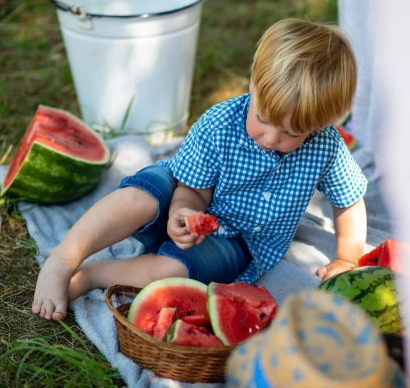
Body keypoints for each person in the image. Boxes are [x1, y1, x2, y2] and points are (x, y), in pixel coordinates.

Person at [32, 18, 368, 321]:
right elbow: (192, 189)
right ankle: (64, 256)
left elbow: (349, 202)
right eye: (262, 119)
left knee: (174, 271)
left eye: (291, 134)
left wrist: (346, 259)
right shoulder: (219, 123)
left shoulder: (327, 146)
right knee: (141, 197)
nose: (270, 138)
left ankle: (92, 274)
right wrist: (183, 210)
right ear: (252, 83)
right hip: (184, 188)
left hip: (241, 240)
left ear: (322, 124)